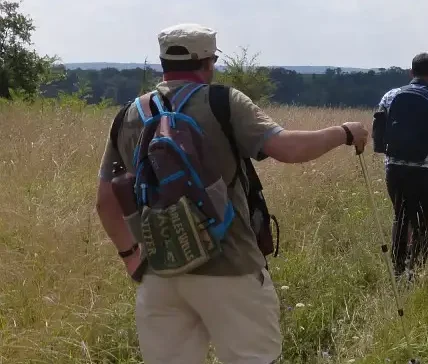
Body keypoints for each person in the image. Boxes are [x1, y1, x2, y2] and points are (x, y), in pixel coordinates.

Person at [94, 23, 368, 364]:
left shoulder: (129, 115)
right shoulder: (224, 101)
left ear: (164, 62)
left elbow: (105, 201)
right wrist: (343, 132)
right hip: (231, 266)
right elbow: (287, 148)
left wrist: (131, 258)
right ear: (208, 62)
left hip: (161, 274)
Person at [372, 53, 428, 278]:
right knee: (422, 219)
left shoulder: (390, 96)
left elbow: (379, 131)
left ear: (411, 73)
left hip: (395, 166)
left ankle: (398, 270)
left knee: (400, 216)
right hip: (425, 168)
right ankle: (416, 269)